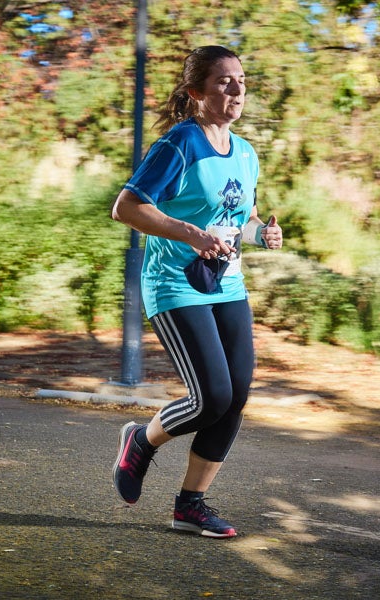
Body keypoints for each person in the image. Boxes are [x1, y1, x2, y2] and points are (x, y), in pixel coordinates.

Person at [110, 46, 283, 538]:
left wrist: (261, 234)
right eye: (224, 81)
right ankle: (140, 441)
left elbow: (240, 219)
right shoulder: (179, 144)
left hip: (226, 283)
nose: (237, 89)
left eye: (241, 80)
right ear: (196, 92)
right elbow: (127, 208)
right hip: (175, 285)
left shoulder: (246, 152)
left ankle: (190, 505)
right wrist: (189, 233)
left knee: (236, 395)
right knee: (212, 397)